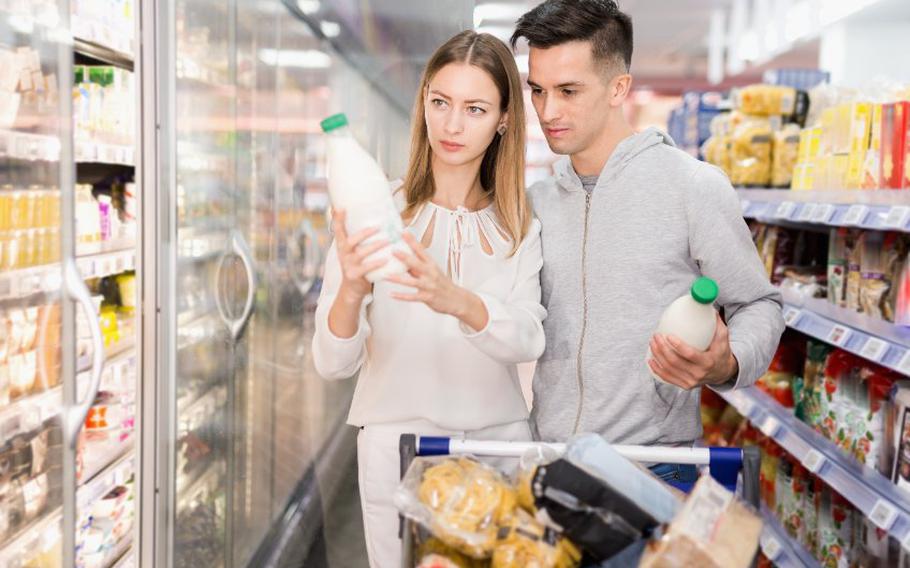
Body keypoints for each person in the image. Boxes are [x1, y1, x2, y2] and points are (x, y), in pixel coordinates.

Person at [511, 0, 785, 482]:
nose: (548, 110)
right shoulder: (536, 202)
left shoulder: (692, 187)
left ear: (619, 87)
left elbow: (759, 304)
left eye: (568, 91)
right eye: (537, 90)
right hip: (551, 462)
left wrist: (726, 362)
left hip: (656, 468)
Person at [312, 30, 545, 568]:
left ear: (504, 119)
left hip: (499, 447)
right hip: (397, 448)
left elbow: (530, 336)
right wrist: (351, 287)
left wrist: (455, 299)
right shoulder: (376, 209)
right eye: (440, 102)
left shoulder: (518, 226)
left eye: (475, 108)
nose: (452, 124)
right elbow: (332, 361)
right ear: (423, 104)